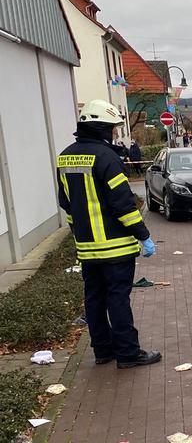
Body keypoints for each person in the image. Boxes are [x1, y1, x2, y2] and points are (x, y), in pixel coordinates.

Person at [56, 99, 161, 369]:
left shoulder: (65, 157)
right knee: (117, 298)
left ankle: (102, 349)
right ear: (102, 128)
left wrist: (77, 232)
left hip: (87, 247)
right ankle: (128, 352)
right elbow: (123, 204)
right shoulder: (107, 158)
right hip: (114, 247)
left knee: (94, 298)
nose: (114, 133)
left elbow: (66, 203)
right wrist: (143, 234)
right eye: (112, 128)